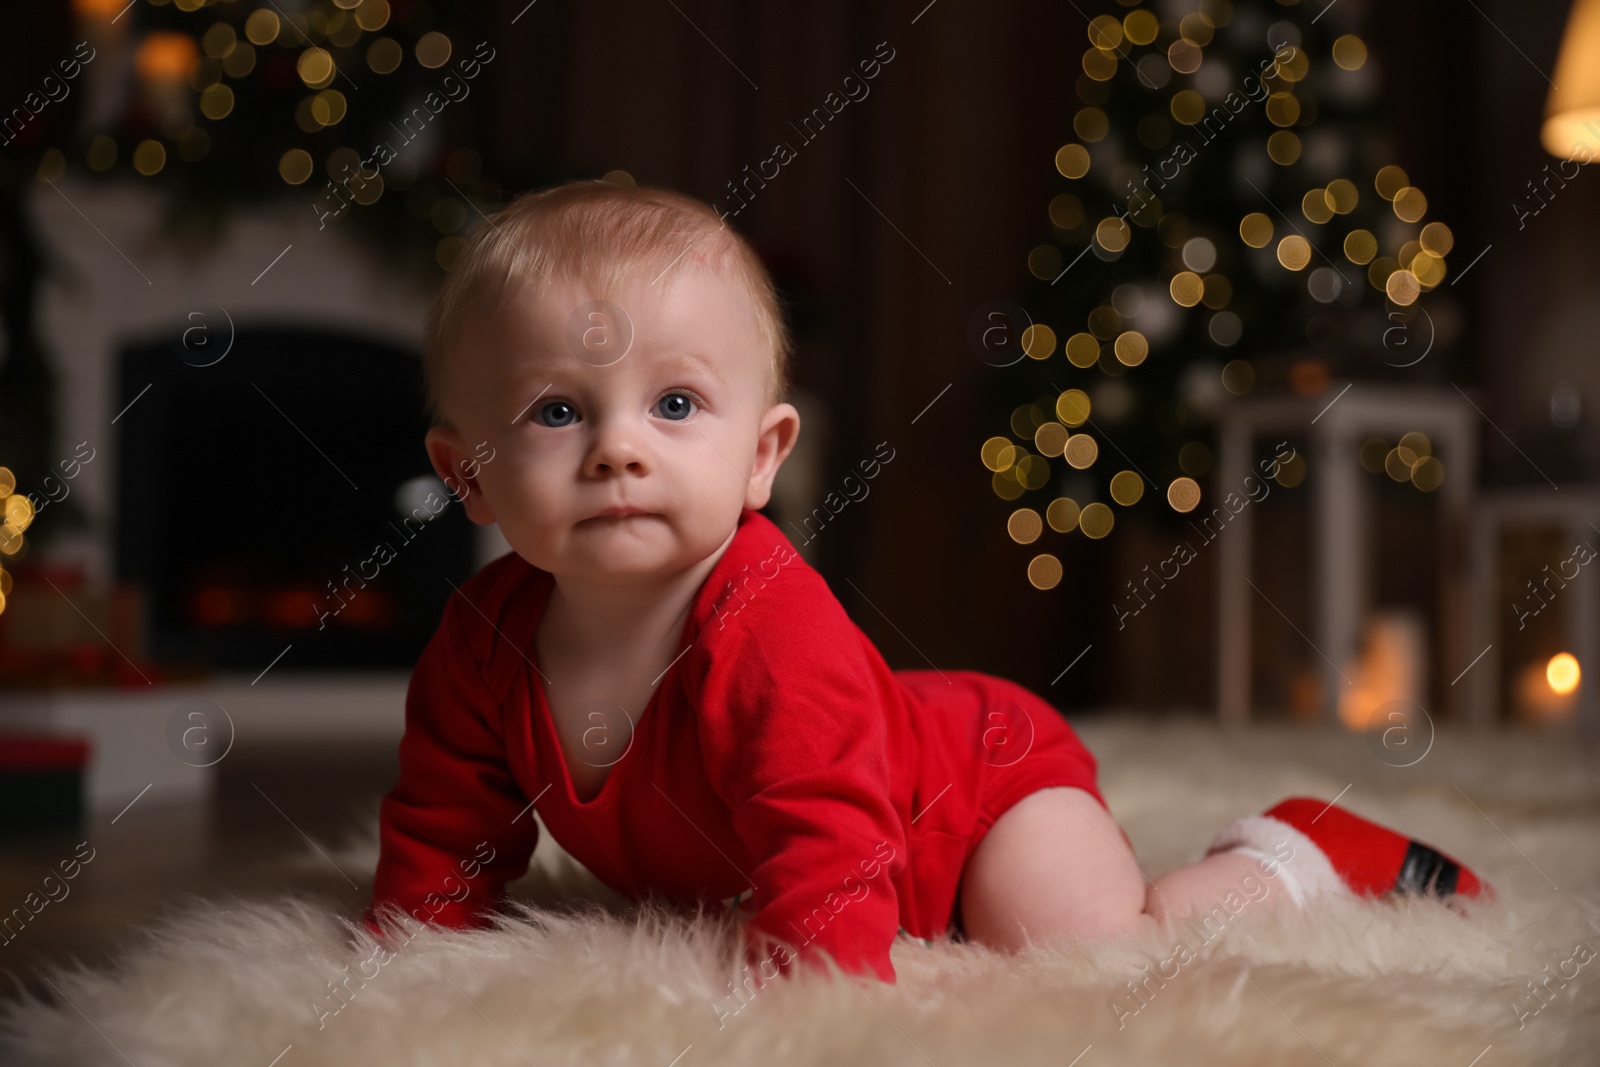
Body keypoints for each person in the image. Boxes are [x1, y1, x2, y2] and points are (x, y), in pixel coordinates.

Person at [364, 181, 1490, 985]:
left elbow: (827, 834)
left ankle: (1291, 855)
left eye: (674, 404)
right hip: (878, 799)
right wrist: (414, 945)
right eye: (558, 410)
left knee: (1082, 946)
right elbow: (444, 821)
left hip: (978, 796)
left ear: (762, 456)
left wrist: (814, 998)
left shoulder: (768, 625)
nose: (618, 447)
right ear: (468, 474)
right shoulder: (482, 640)